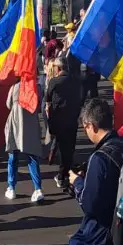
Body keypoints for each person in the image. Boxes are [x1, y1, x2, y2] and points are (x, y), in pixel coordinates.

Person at [68, 98, 123, 245]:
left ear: (91, 126)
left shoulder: (100, 158)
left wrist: (78, 183)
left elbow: (90, 205)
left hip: (104, 237)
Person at [4, 78, 45, 203]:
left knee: (13, 156)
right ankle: (37, 188)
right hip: (30, 124)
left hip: (15, 123)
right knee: (32, 157)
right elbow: (39, 105)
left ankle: (11, 187)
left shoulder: (14, 87)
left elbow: (8, 105)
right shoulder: (37, 87)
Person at [44, 58, 82, 193]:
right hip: (72, 119)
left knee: (63, 148)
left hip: (59, 120)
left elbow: (47, 99)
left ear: (58, 69)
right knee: (70, 147)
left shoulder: (54, 82)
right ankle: (67, 172)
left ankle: (62, 175)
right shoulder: (76, 81)